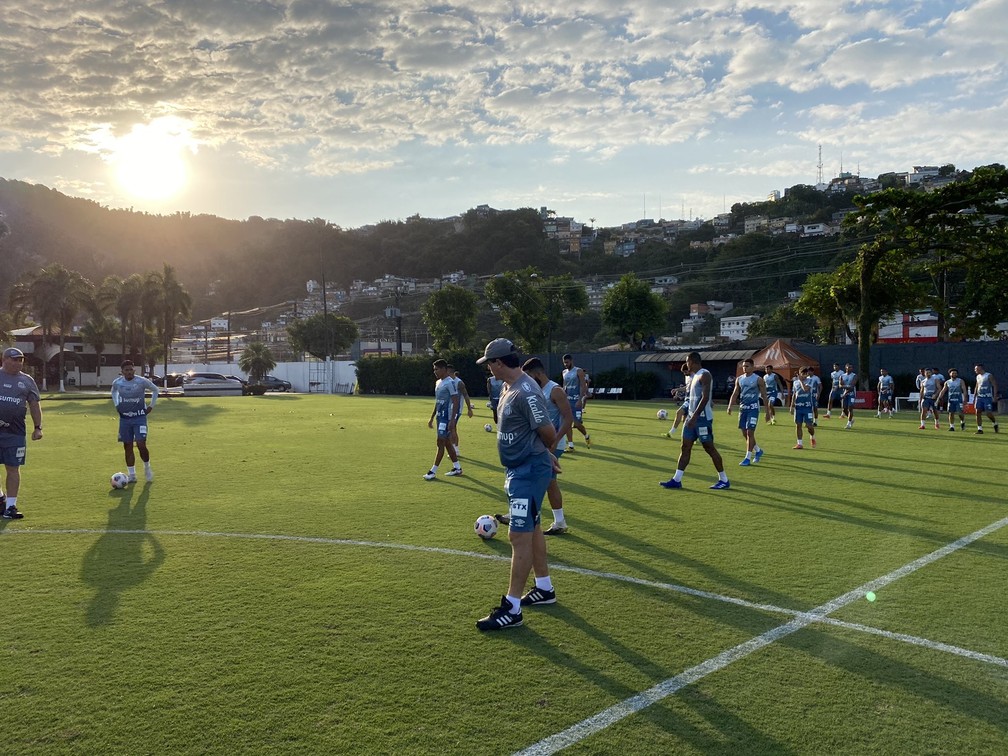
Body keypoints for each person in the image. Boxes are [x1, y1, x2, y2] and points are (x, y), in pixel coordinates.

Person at [474, 339, 560, 632]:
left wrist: (544, 452)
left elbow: (548, 431)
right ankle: (545, 588)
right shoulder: (507, 387)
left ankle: (511, 609)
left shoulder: (526, 392)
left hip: (527, 471)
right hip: (520, 469)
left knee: (518, 536)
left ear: (499, 363)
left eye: (489, 363)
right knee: (532, 528)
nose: (488, 368)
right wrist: (543, 452)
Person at [494, 357, 573, 535]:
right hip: (536, 442)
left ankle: (559, 521)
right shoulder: (528, 388)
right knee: (539, 480)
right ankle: (521, 513)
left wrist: (553, 443)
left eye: (528, 374)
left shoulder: (555, 390)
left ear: (538, 373)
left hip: (551, 442)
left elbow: (568, 418)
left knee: (549, 481)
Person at [660, 351, 730, 490]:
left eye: (687, 362)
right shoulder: (693, 377)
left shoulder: (705, 374)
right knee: (685, 447)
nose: (686, 364)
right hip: (691, 419)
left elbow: (705, 398)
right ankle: (677, 479)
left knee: (709, 448)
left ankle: (724, 479)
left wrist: (695, 416)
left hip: (702, 419)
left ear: (691, 361)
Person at [0, 347, 43, 520]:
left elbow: (34, 404)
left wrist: (38, 427)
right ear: (4, 359)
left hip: (15, 432)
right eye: (15, 359)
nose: (19, 362)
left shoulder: (27, 381)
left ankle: (10, 507)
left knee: (13, 468)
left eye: (21, 360)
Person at [110, 360, 158, 483]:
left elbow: (155, 390)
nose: (129, 372)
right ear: (122, 372)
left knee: (141, 444)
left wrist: (151, 406)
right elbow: (113, 391)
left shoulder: (141, 381)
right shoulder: (117, 383)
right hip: (125, 419)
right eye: (126, 370)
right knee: (128, 446)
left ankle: (147, 468)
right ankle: (132, 475)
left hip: (139, 418)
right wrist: (116, 404)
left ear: (134, 370)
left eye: (131, 369)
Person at [725, 358, 769, 466]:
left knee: (750, 432)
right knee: (745, 433)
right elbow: (735, 393)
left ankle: (747, 458)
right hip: (743, 408)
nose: (745, 368)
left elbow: (764, 396)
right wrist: (730, 405)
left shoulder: (758, 379)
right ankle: (758, 451)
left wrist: (768, 412)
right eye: (744, 366)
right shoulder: (739, 379)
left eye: (747, 366)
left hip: (753, 408)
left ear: (753, 367)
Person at [424, 359, 462, 479]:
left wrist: (452, 420)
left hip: (446, 418)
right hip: (440, 417)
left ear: (444, 369)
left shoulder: (450, 383)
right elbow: (438, 402)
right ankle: (457, 468)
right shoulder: (438, 383)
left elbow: (455, 402)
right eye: (434, 369)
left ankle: (433, 471)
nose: (435, 371)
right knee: (446, 442)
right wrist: (432, 417)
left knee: (440, 442)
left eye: (437, 369)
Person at [561, 354, 591, 450]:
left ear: (571, 361)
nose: (566, 364)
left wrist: (580, 399)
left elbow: (583, 385)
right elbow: (564, 386)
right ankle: (570, 445)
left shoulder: (578, 371)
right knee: (567, 423)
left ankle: (586, 436)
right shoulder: (564, 372)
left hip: (576, 401)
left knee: (577, 424)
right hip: (567, 402)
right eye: (564, 363)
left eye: (567, 362)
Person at [446, 365, 474, 455]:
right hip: (447, 409)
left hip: (456, 410)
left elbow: (466, 395)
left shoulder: (459, 383)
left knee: (452, 428)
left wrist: (469, 409)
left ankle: (455, 449)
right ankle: (453, 448)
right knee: (450, 428)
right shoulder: (446, 382)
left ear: (450, 372)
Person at [790, 367, 817, 449]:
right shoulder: (795, 383)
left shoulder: (810, 381)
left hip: (807, 407)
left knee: (809, 426)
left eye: (806, 374)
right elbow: (794, 394)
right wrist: (791, 406)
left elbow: (805, 389)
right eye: (803, 374)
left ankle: (812, 436)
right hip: (798, 407)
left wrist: (801, 380)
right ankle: (799, 443)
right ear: (799, 373)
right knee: (798, 425)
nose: (805, 376)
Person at [664, 363, 691, 437]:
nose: (685, 374)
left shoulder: (694, 377)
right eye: (683, 373)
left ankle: (671, 433)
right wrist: (677, 389)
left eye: (685, 372)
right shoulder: (688, 377)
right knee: (685, 420)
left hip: (692, 400)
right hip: (687, 399)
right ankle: (690, 437)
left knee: (679, 412)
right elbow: (687, 388)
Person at [973, 364, 999, 434]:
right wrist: (974, 396)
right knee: (977, 412)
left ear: (980, 368)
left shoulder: (988, 375)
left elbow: (994, 385)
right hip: (979, 397)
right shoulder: (978, 377)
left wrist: (995, 396)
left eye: (976, 369)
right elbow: (977, 386)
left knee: (988, 413)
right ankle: (980, 429)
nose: (975, 370)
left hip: (987, 397)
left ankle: (994, 422)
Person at [840, 363, 858, 429]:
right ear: (845, 368)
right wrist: (845, 387)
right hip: (844, 393)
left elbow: (852, 387)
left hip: (852, 394)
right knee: (844, 409)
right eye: (848, 367)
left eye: (850, 367)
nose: (849, 369)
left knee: (850, 407)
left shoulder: (854, 375)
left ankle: (849, 423)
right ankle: (851, 419)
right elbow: (840, 385)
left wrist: (845, 391)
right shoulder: (842, 375)